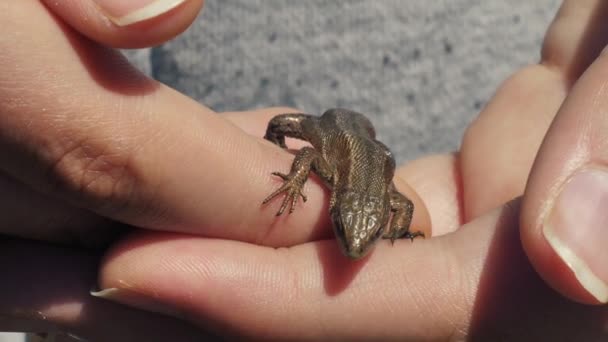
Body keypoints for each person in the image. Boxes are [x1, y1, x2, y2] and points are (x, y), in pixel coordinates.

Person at [1, 0, 606, 340]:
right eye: (350, 229)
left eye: (360, 234)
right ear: (341, 208)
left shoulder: (374, 204)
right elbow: (315, 154)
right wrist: (288, 172)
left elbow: (393, 204)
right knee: (293, 131)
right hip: (336, 126)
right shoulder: (342, 183)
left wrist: (394, 227)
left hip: (397, 153)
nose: (354, 243)